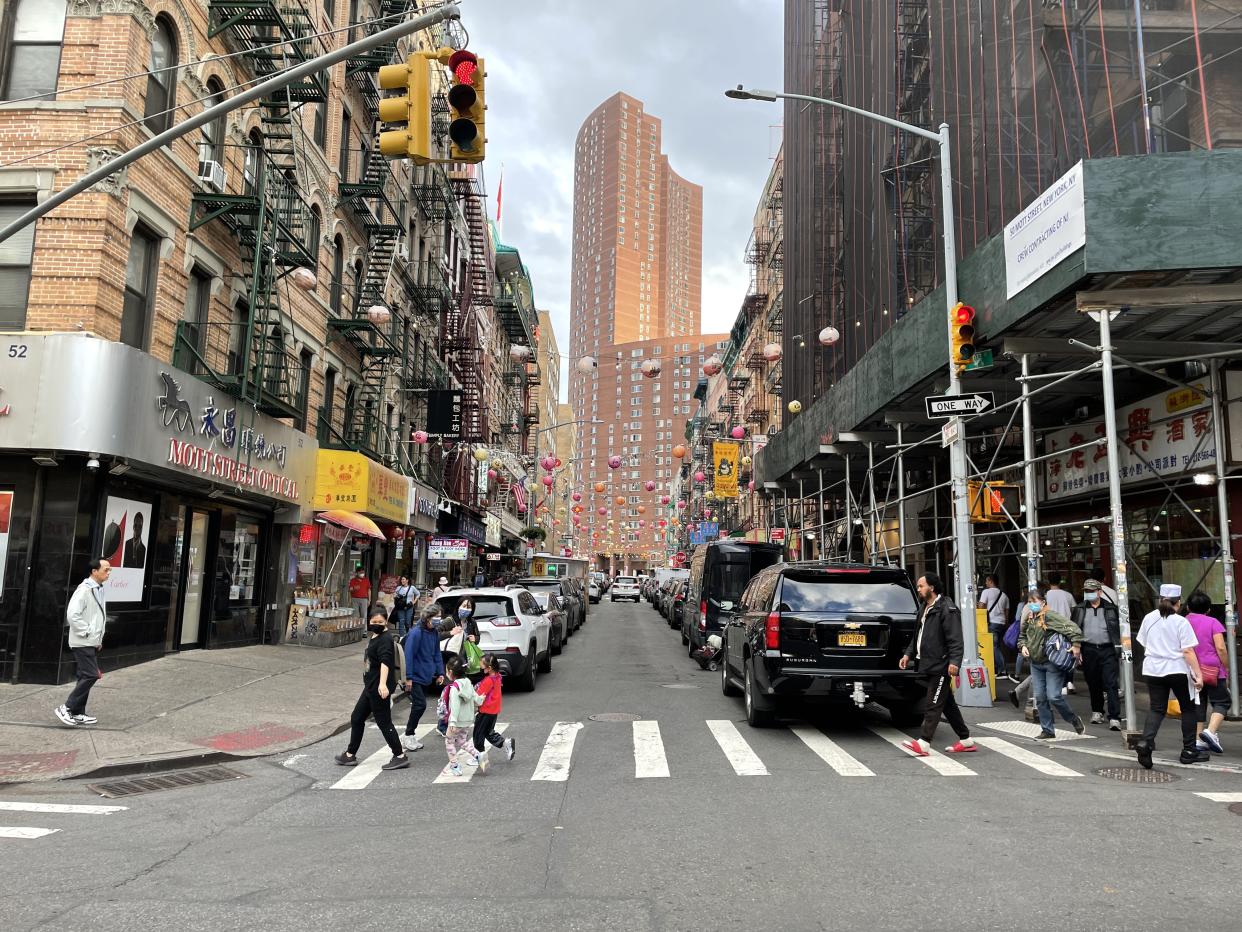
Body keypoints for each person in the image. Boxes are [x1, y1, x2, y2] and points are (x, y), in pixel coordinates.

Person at [897, 573, 975, 756]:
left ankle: (924, 743)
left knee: (933, 703)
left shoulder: (947, 608)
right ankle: (965, 739)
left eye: (921, 586)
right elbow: (918, 636)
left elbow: (956, 639)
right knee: (946, 703)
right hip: (928, 664)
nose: (918, 589)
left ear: (931, 587)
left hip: (941, 664)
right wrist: (908, 654)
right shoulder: (925, 607)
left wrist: (955, 662)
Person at [1135, 584, 1206, 767]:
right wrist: (1198, 675)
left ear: (1160, 599)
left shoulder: (1149, 618)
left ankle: (1146, 742)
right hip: (1177, 669)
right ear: (1179, 602)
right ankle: (1189, 750)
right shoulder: (1181, 622)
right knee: (1188, 708)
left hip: (1152, 669)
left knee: (1156, 708)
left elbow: (1143, 642)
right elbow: (1188, 651)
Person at [335, 606, 409, 771]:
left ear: (386, 622)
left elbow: (385, 663)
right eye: (373, 621)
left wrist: (383, 684)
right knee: (357, 717)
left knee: (384, 722)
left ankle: (400, 755)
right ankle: (350, 754)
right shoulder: (376, 636)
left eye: (380, 622)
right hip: (371, 686)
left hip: (378, 688)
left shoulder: (385, 639)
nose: (376, 624)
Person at [1017, 586, 1085, 739]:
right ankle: (1047, 730)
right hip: (1035, 663)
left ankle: (1073, 718)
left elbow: (1074, 629)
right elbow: (1021, 637)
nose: (1031, 605)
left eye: (1034, 601)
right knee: (1040, 698)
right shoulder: (1029, 618)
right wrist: (1023, 647)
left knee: (1054, 696)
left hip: (1051, 662)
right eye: (1029, 602)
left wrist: (1076, 646)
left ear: (1043, 602)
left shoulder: (1050, 616)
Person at [55, 559, 111, 728]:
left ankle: (78, 712)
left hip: (90, 641)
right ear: (94, 571)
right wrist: (88, 633)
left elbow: (96, 616)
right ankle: (66, 707)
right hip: (82, 640)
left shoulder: (98, 589)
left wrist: (97, 639)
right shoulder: (84, 590)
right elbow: (72, 615)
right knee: (91, 674)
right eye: (106, 570)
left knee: (83, 676)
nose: (108, 573)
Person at [1071, 579, 1122, 730]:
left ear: (1099, 592)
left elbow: (1119, 628)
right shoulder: (1079, 609)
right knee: (1093, 682)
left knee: (1111, 683)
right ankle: (1097, 711)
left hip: (1108, 649)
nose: (1088, 594)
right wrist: (1076, 647)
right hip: (1088, 649)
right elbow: (1073, 629)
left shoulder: (1111, 609)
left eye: (1091, 591)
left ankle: (1114, 717)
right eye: (1086, 591)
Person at [1183, 590, 1230, 754]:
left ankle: (1197, 740)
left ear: (1188, 607)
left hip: (1190, 668)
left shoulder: (1182, 622)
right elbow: (1221, 648)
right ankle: (1210, 732)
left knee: (1198, 703)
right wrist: (1226, 666)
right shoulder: (1213, 622)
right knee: (1222, 702)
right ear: (1208, 608)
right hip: (1213, 669)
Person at [402, 606, 445, 752]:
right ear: (428, 618)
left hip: (426, 676)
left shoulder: (433, 633)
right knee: (420, 705)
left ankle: (410, 734)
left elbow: (436, 653)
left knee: (418, 706)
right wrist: (408, 677)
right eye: (436, 616)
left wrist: (440, 672)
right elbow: (409, 656)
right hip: (415, 677)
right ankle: (408, 734)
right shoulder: (416, 633)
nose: (439, 619)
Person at [472, 653, 515, 772]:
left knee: (478, 735)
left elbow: (478, 697)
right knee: (488, 732)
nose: (481, 668)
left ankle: (479, 755)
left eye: (482, 666)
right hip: (493, 711)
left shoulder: (487, 681)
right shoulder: (497, 676)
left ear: (489, 668)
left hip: (485, 711)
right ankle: (505, 743)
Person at [443, 659, 484, 777]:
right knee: (461, 741)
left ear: (450, 672)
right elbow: (475, 698)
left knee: (449, 742)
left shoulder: (455, 687)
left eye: (446, 671)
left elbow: (454, 706)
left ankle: (455, 766)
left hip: (456, 722)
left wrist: (452, 721)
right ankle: (478, 755)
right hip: (467, 720)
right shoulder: (468, 682)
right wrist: (481, 699)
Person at [979, 574, 1011, 679]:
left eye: (987, 581)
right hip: (1002, 624)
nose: (985, 583)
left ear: (991, 581)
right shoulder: (1004, 595)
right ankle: (998, 668)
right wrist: (1005, 624)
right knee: (997, 646)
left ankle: (1002, 670)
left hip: (992, 623)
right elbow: (1007, 613)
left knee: (994, 647)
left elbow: (981, 607)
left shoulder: (986, 592)